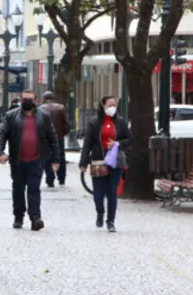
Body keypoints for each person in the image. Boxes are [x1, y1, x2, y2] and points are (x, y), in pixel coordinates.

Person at [0, 91, 60, 231]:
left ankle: (35, 217)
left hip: (36, 160)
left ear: (35, 100)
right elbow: (2, 135)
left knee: (34, 189)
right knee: (18, 190)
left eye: (30, 99)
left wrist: (56, 159)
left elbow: (52, 138)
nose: (27, 101)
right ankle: (18, 217)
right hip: (17, 160)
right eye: (24, 99)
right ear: (20, 99)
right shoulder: (11, 116)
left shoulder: (44, 116)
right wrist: (0, 153)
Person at [79, 96, 131, 232]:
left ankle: (111, 221)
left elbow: (129, 138)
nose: (112, 107)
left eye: (114, 104)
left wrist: (117, 143)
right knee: (98, 193)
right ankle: (100, 212)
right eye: (109, 105)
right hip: (98, 161)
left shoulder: (120, 122)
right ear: (103, 106)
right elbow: (87, 143)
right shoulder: (94, 123)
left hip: (115, 162)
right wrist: (83, 162)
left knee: (112, 192)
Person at [39, 91, 71, 187]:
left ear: (44, 98)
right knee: (60, 157)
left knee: (47, 158)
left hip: (45, 138)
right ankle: (61, 178)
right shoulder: (61, 108)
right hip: (58, 137)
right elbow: (67, 124)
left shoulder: (40, 109)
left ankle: (50, 179)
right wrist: (62, 133)